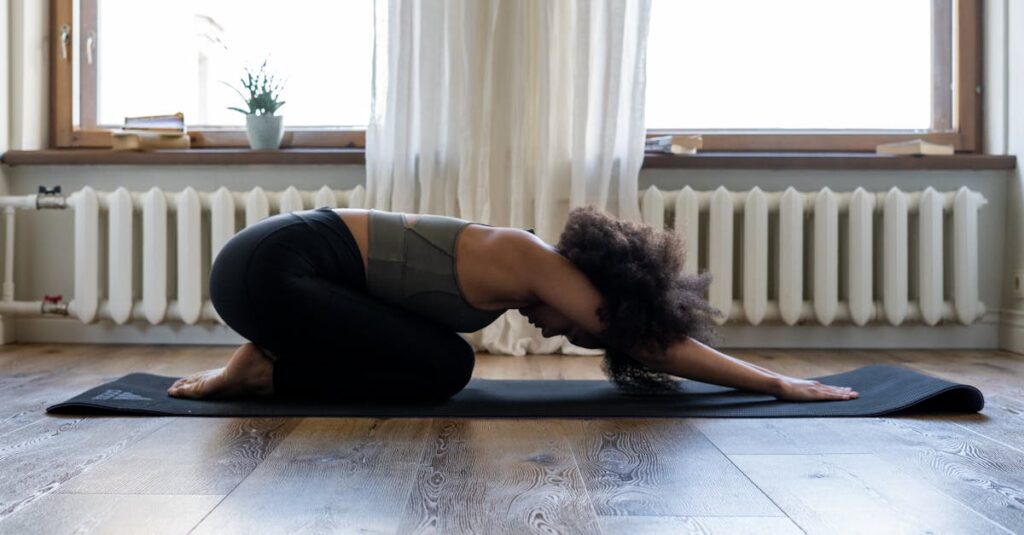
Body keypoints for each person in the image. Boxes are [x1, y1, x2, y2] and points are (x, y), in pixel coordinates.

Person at [167, 206, 859, 403]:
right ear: (596, 289)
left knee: (442, 361)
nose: (559, 331)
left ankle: (264, 359)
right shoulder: (532, 259)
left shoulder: (510, 271)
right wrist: (772, 380)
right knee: (442, 368)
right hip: (268, 266)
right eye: (581, 328)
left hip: (277, 276)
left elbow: (359, 317)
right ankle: (263, 369)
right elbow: (653, 341)